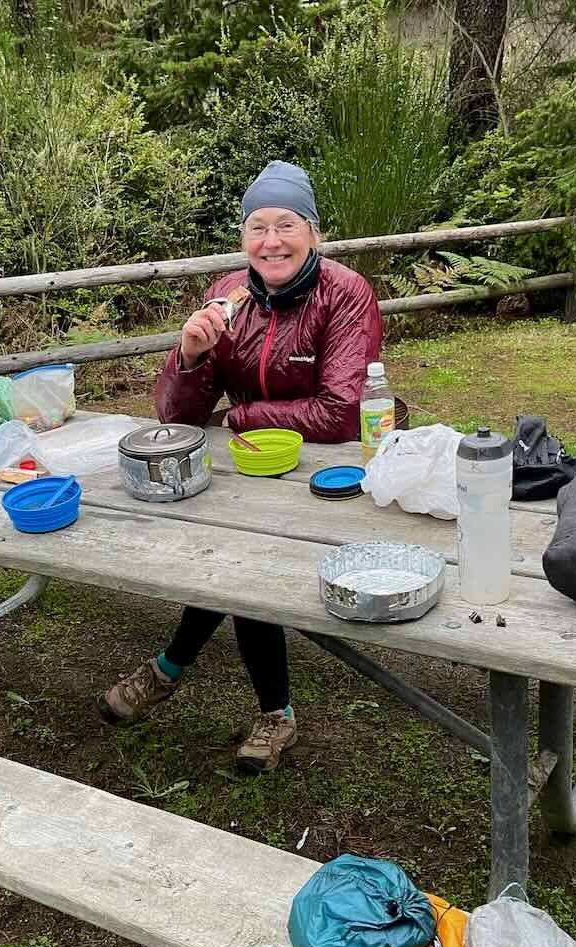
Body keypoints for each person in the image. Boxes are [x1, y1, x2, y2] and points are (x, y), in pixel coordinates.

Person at [97, 160, 383, 774]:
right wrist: (191, 356)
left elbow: (340, 412)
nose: (271, 241)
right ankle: (209, 686)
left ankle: (204, 683)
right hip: (252, 468)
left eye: (286, 225)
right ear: (242, 237)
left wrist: (242, 417)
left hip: (331, 473)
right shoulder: (225, 296)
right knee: (231, 559)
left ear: (312, 231)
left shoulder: (345, 292)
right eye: (258, 227)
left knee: (243, 567)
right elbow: (176, 417)